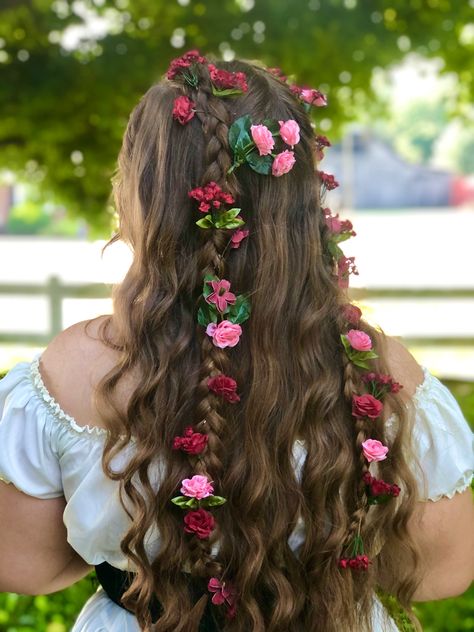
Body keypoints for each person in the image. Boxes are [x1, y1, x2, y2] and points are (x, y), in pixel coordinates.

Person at [0, 53, 473, 632]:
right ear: (303, 200)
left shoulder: (73, 371)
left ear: (143, 194)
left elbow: (24, 564)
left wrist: (143, 546)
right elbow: (441, 572)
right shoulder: (382, 370)